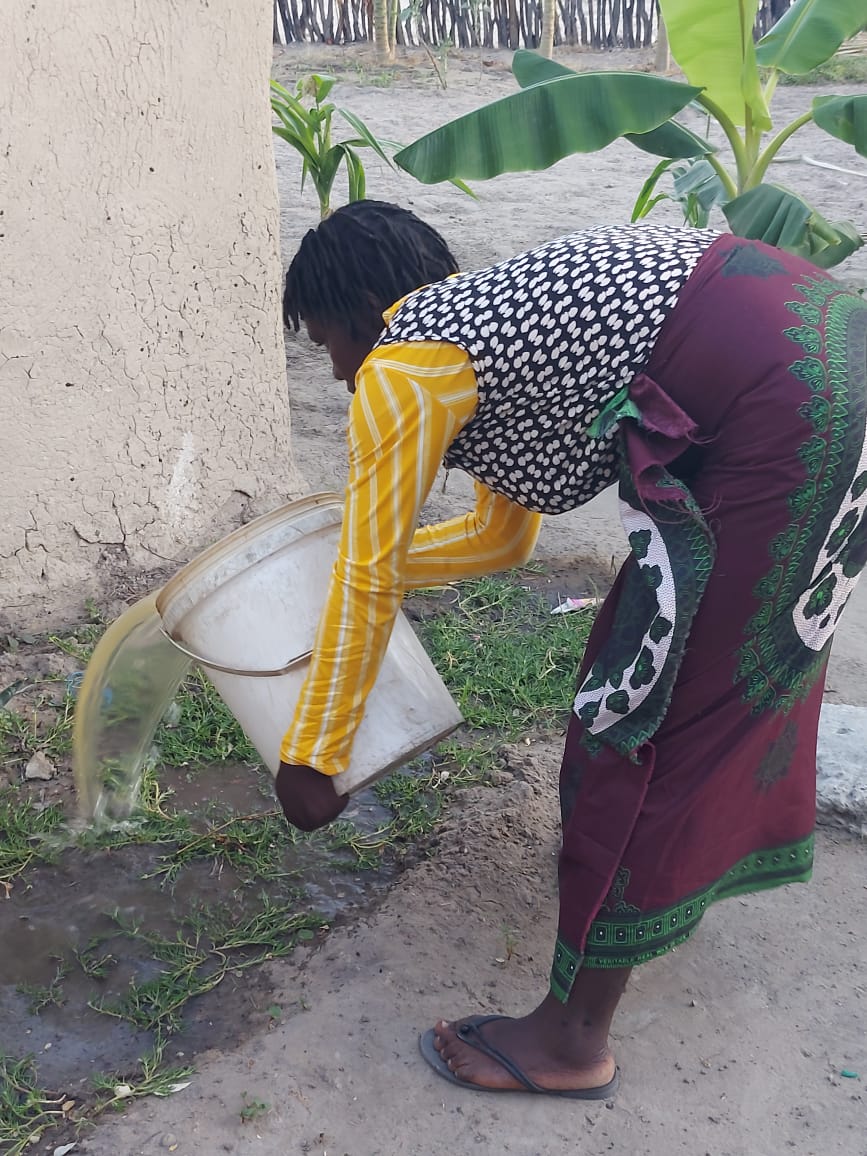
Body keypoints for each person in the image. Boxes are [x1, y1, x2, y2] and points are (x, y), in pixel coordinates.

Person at [275, 200, 867, 1098]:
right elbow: (497, 540)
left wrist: (313, 758)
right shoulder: (494, 329)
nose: (332, 373)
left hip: (782, 398)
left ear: (365, 310)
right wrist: (358, 557)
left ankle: (570, 1040)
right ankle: (651, 911)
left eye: (326, 342)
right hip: (827, 343)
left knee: (642, 709)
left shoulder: (403, 366)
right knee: (722, 681)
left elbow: (369, 581)